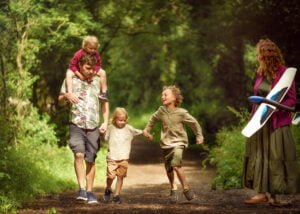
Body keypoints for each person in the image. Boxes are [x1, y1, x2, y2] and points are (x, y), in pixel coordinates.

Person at [243, 38, 299, 206]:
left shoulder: (284, 73)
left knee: (275, 157)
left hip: (277, 123)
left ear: (265, 55)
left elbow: (291, 101)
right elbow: (258, 98)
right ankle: (262, 193)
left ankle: (273, 197)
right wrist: (253, 115)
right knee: (260, 156)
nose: (259, 57)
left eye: (260, 54)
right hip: (260, 122)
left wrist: (277, 108)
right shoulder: (260, 73)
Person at [58, 54, 109, 204]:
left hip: (93, 125)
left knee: (91, 159)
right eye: (87, 68)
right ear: (80, 65)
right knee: (79, 155)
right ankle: (81, 189)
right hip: (76, 124)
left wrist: (105, 122)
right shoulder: (71, 80)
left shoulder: (99, 81)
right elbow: (60, 101)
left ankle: (90, 191)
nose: (91, 71)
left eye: (93, 69)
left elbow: (104, 103)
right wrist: (67, 95)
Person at [143, 85, 204, 203]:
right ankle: (173, 188)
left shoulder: (182, 113)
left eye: (166, 94)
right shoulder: (161, 111)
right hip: (166, 143)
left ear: (174, 98)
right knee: (169, 168)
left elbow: (194, 124)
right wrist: (147, 130)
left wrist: (199, 135)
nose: (163, 97)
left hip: (179, 142)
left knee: (176, 164)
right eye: (162, 95)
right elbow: (152, 119)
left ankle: (186, 188)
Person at [103, 107, 146, 204]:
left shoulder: (129, 128)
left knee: (120, 177)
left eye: (124, 120)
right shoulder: (110, 128)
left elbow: (138, 131)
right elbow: (105, 138)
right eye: (120, 120)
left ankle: (116, 195)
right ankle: (108, 188)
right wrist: (101, 133)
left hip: (124, 158)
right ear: (114, 119)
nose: (122, 122)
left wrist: (146, 133)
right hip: (112, 157)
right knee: (111, 176)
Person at [66, 35, 108, 101]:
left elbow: (98, 65)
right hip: (78, 70)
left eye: (95, 49)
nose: (93, 50)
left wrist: (92, 74)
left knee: (103, 72)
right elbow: (72, 66)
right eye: (90, 48)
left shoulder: (96, 54)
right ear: (85, 46)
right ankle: (70, 92)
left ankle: (104, 92)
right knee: (68, 73)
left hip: (91, 70)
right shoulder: (79, 53)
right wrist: (80, 76)